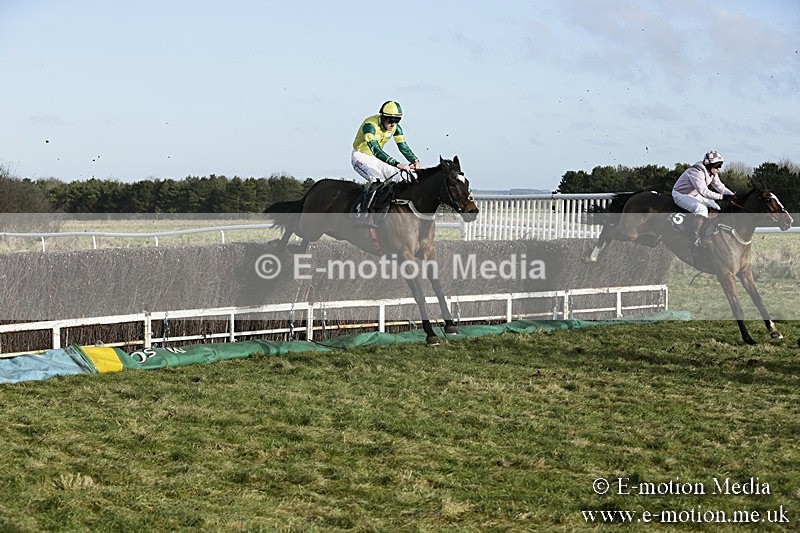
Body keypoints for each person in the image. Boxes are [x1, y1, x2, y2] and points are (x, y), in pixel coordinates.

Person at [351, 100, 422, 225]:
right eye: (390, 120)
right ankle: (362, 215)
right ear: (382, 117)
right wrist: (398, 164)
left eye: (397, 121)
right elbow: (376, 150)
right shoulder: (369, 125)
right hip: (360, 156)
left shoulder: (396, 128)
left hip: (376, 159)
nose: (392, 124)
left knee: (401, 177)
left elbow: (403, 147)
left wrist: (415, 160)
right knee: (376, 179)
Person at [672, 150, 736, 247]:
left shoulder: (712, 172)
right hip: (681, 195)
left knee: (717, 207)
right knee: (701, 209)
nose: (719, 169)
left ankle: (710, 232)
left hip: (694, 194)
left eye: (720, 166)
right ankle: (694, 239)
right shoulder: (696, 172)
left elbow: (720, 187)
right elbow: (704, 192)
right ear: (708, 165)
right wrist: (722, 197)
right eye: (717, 166)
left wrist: (732, 195)